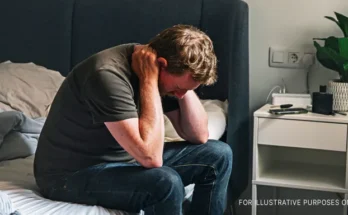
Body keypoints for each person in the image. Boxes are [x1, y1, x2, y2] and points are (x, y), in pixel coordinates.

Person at [34, 24, 232, 215]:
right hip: (69, 176)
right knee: (164, 182)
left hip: (124, 160)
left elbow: (199, 135)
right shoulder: (106, 75)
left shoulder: (160, 70)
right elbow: (150, 158)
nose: (179, 95)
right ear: (161, 65)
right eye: (178, 88)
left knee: (219, 154)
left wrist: (185, 88)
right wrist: (149, 81)